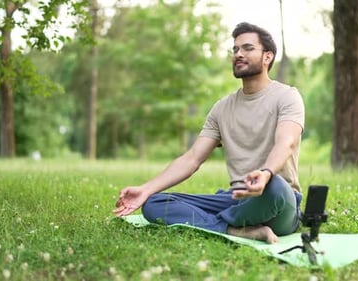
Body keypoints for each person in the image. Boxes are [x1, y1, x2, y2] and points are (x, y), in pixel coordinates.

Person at [113, 22, 305, 244]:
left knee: (276, 187)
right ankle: (234, 228)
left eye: (247, 48)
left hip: (277, 201)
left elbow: (286, 142)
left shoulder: (287, 96)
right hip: (236, 200)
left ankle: (213, 222)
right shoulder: (222, 107)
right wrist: (145, 190)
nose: (239, 54)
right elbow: (193, 158)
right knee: (155, 204)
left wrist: (266, 173)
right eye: (235, 49)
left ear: (267, 56)